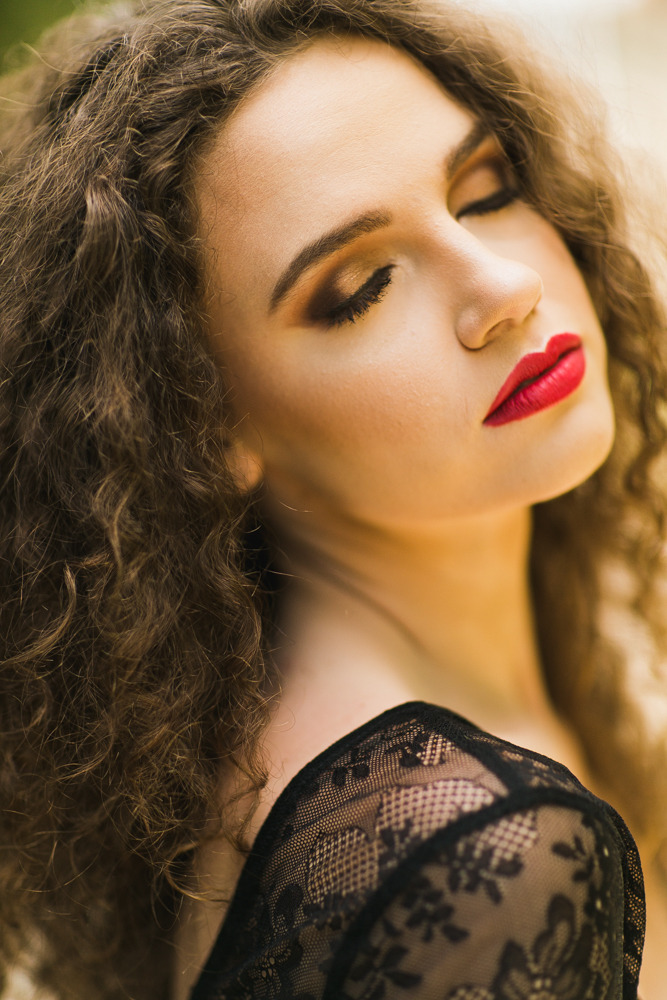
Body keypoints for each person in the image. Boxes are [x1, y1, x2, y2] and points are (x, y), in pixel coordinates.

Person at [1, 0, 666, 997]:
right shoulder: (467, 848)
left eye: (486, 191)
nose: (505, 287)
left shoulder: (270, 746)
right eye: (360, 287)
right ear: (204, 428)